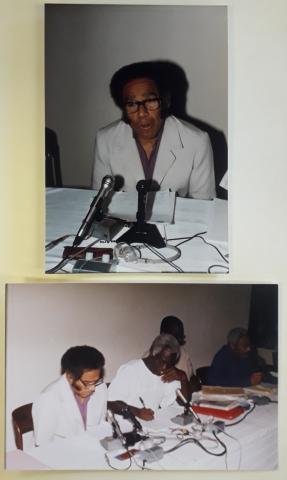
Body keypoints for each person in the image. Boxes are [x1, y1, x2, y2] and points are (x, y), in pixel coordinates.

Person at [92, 61, 215, 199]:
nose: (142, 113)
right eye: (131, 104)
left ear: (165, 101)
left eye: (150, 101)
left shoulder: (197, 141)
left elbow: (203, 209)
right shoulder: (105, 139)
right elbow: (99, 203)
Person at [32, 345, 107, 446]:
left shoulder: (101, 388)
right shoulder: (48, 398)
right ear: (70, 377)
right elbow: (42, 445)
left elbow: (100, 427)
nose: (93, 388)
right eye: (87, 382)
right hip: (62, 456)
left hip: (92, 449)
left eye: (96, 381)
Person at [107, 334, 190, 422]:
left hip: (151, 427)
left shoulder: (167, 374)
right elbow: (109, 403)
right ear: (152, 352)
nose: (164, 367)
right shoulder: (131, 370)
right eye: (162, 361)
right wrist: (137, 412)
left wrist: (183, 378)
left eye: (169, 364)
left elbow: (184, 403)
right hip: (127, 424)